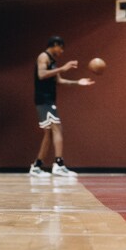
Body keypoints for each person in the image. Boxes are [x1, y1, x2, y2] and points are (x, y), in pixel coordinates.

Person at [30, 35, 94, 178]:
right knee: (57, 128)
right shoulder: (43, 57)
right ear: (55, 45)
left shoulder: (53, 61)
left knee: (49, 133)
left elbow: (59, 81)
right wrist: (63, 68)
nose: (62, 51)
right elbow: (41, 74)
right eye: (61, 48)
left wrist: (78, 82)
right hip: (44, 100)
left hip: (48, 100)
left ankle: (37, 166)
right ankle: (59, 165)